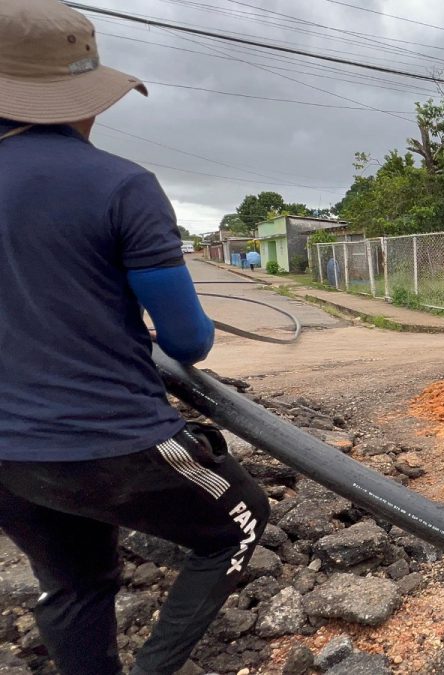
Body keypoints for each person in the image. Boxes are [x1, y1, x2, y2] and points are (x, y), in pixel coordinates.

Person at [0, 2, 269, 674]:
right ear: (81, 99)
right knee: (239, 520)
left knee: (77, 581)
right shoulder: (121, 185)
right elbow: (187, 340)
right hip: (113, 439)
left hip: (7, 455)